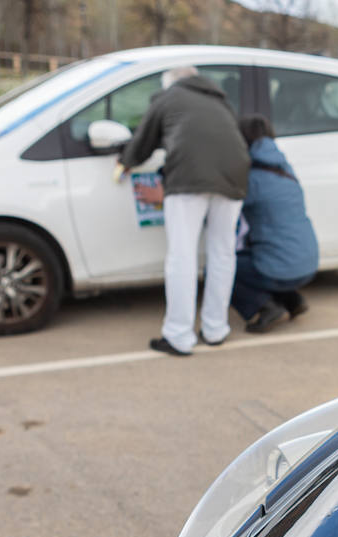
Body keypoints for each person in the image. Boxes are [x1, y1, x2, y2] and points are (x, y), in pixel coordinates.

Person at [116, 66, 249, 356]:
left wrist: (125, 160)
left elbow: (143, 143)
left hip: (189, 178)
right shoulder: (220, 100)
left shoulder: (168, 97)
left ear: (170, 82)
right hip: (235, 176)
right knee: (223, 252)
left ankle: (178, 336)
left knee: (182, 255)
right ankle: (216, 329)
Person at [230, 115, 320, 333]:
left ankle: (265, 307)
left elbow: (224, 207)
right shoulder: (286, 169)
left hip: (281, 269)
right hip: (310, 263)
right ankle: (293, 300)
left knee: (224, 266)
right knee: (269, 254)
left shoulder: (253, 178)